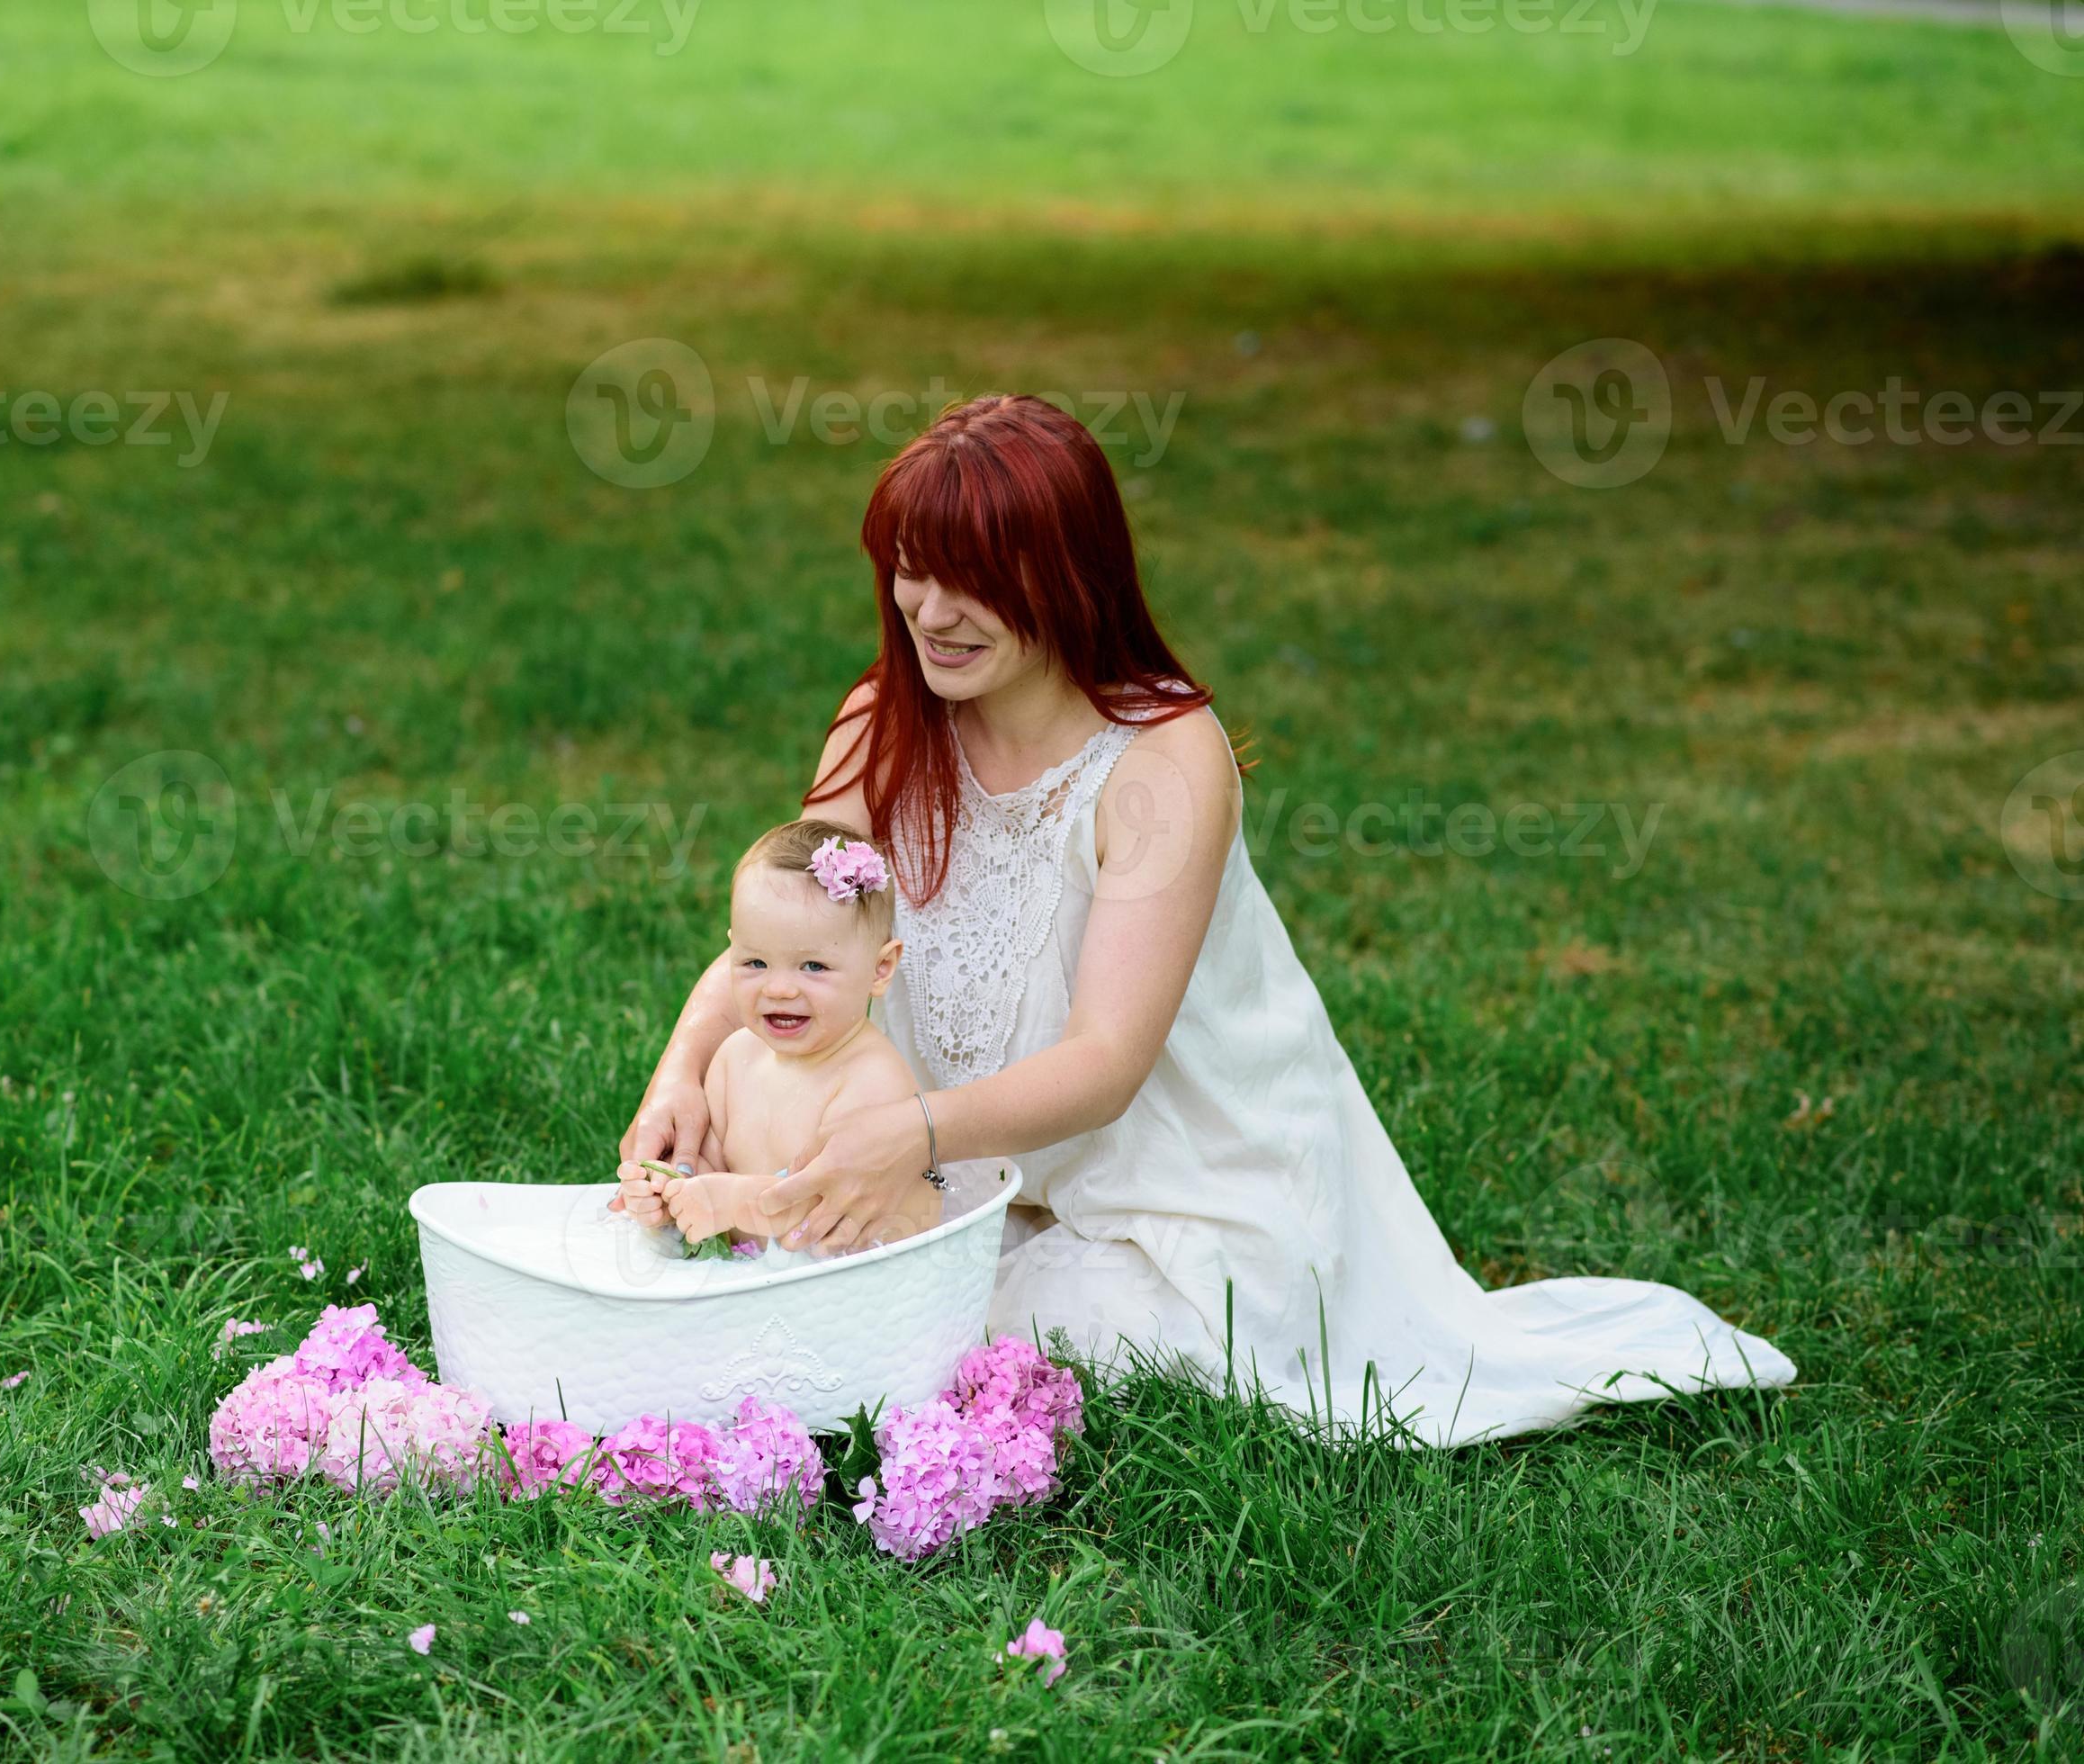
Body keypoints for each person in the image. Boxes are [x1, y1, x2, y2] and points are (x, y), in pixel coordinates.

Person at [618, 394, 1795, 1445]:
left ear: (1068, 574)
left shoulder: (1163, 762)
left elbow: (1106, 1063)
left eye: (974, 575)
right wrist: (684, 1075)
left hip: (1181, 1190)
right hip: (972, 1170)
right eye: (910, 569)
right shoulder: (884, 720)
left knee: (1052, 1343)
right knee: (821, 1281)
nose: (931, 610)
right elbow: (789, 944)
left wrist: (910, 1136)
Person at [615, 820, 937, 1255]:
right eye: (755, 963)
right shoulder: (734, 1057)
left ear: (880, 969)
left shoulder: (872, 1080)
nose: (779, 989)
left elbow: (833, 1207)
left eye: (813, 967)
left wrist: (734, 1203)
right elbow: (710, 1164)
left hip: (860, 1284)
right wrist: (670, 1190)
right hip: (764, 1285)